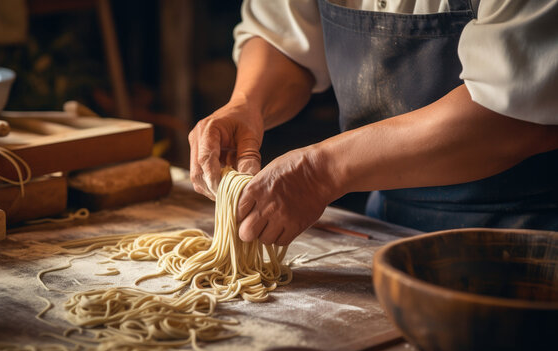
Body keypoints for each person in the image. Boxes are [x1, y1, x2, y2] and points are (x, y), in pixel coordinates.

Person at [188, 0, 558, 246]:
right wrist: (247, 104)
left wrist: (318, 172)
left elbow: (515, 111)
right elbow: (285, 35)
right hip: (387, 223)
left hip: (526, 238)